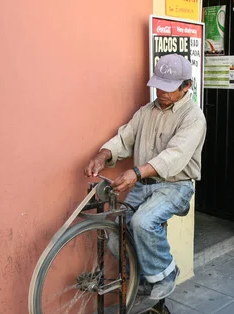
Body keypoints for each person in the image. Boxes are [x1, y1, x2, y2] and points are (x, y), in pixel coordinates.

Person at [84, 54, 206, 300]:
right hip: (144, 184)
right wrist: (103, 154)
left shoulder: (193, 117)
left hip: (176, 186)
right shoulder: (146, 112)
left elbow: (174, 156)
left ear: (187, 86)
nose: (162, 92)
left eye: (169, 88)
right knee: (117, 234)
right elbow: (124, 139)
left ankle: (166, 274)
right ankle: (140, 278)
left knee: (142, 222)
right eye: (159, 85)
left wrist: (137, 172)